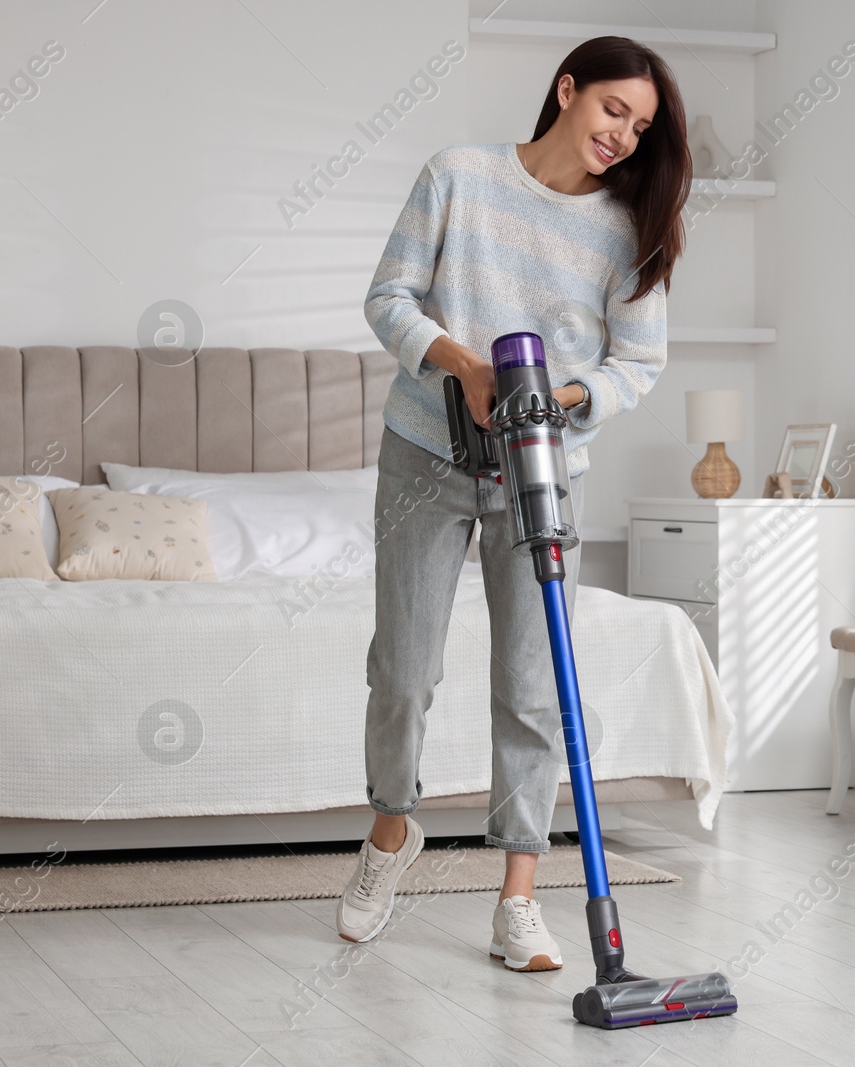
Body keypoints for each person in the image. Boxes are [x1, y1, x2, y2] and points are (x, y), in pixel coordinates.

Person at [336, 36, 690, 972]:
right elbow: (388, 298)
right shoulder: (459, 175)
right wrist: (465, 364)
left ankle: (517, 898)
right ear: (567, 90)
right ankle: (387, 838)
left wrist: (563, 400)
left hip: (541, 469)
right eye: (614, 108)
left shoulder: (627, 229)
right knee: (404, 671)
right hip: (425, 452)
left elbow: (638, 364)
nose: (624, 134)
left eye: (641, 125)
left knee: (533, 687)